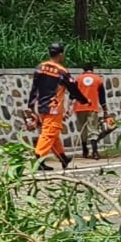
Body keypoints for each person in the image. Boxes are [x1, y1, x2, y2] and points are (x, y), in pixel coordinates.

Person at [28, 42, 85, 171]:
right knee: (49, 133)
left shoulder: (40, 67)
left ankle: (63, 157)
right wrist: (83, 100)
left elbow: (34, 88)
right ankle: (39, 157)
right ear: (60, 55)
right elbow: (73, 89)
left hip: (41, 106)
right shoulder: (62, 71)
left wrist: (31, 106)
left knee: (53, 133)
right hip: (54, 107)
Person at [73, 61, 112, 161]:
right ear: (92, 69)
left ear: (83, 70)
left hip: (79, 107)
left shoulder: (78, 79)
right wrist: (105, 110)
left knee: (83, 129)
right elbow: (102, 97)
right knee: (92, 129)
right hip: (92, 107)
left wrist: (69, 107)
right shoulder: (98, 79)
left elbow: (73, 94)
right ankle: (95, 152)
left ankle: (84, 150)